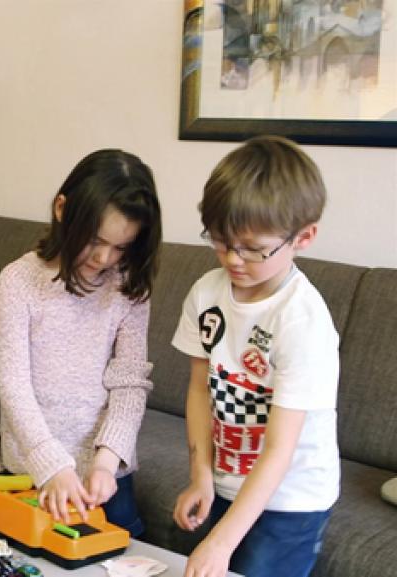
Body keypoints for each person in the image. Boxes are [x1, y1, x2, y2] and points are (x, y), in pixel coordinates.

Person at [171, 136, 338, 577]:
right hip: (227, 478)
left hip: (290, 499)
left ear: (303, 237)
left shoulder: (301, 321)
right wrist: (201, 475)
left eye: (252, 248)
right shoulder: (207, 292)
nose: (232, 259)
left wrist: (221, 541)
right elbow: (199, 389)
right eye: (221, 241)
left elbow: (281, 448)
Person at [0, 149, 162, 537]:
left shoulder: (128, 285)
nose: (104, 258)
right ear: (62, 209)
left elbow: (130, 382)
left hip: (105, 476)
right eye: (96, 240)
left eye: (121, 247)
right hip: (29, 469)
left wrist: (107, 460)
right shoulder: (18, 281)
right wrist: (52, 464)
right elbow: (14, 384)